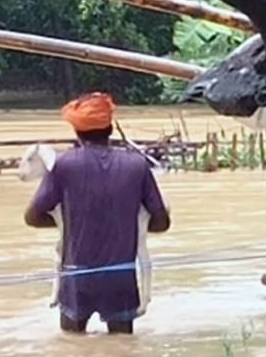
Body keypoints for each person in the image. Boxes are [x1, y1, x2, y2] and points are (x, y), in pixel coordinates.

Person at [24, 92, 170, 334]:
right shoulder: (137, 165)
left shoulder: (64, 165)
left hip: (76, 276)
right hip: (121, 276)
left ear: (77, 133)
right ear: (110, 129)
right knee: (122, 345)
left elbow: (32, 217)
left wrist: (67, 221)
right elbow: (161, 222)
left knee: (72, 344)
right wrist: (130, 223)